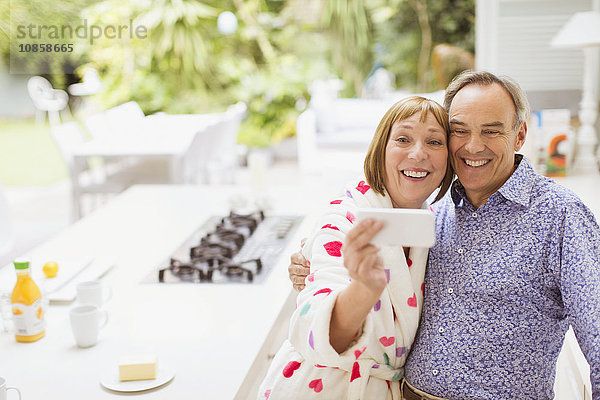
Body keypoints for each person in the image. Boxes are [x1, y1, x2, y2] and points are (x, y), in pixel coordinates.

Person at [288, 70, 600, 399]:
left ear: (519, 135)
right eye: (459, 131)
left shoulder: (561, 216)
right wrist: (312, 261)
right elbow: (374, 275)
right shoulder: (434, 212)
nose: (473, 146)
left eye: (491, 131)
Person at [258, 96, 454, 399]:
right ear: (381, 149)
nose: (418, 153)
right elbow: (313, 322)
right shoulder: (345, 215)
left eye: (434, 142)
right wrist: (364, 289)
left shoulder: (435, 225)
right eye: (403, 138)